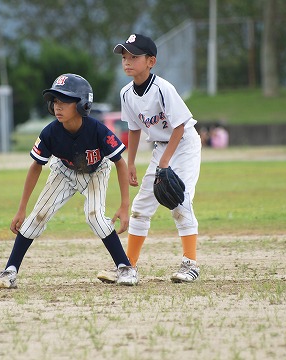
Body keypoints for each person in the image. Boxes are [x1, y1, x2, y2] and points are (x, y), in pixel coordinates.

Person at [0, 73, 138, 289]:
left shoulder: (97, 130)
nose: (58, 106)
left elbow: (120, 162)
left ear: (83, 104)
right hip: (63, 172)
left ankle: (125, 268)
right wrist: (21, 209)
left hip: (96, 172)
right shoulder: (50, 133)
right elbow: (36, 167)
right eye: (55, 101)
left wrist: (125, 205)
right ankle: (10, 271)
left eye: (65, 101)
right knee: (37, 216)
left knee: (95, 216)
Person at [97, 34, 202, 285]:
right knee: (141, 208)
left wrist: (164, 163)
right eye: (124, 57)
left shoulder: (162, 89)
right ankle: (129, 267)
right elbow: (134, 128)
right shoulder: (126, 93)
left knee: (179, 200)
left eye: (134, 56)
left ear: (151, 61)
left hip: (184, 144)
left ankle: (191, 264)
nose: (127, 61)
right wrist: (131, 162)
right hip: (161, 148)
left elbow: (179, 127)